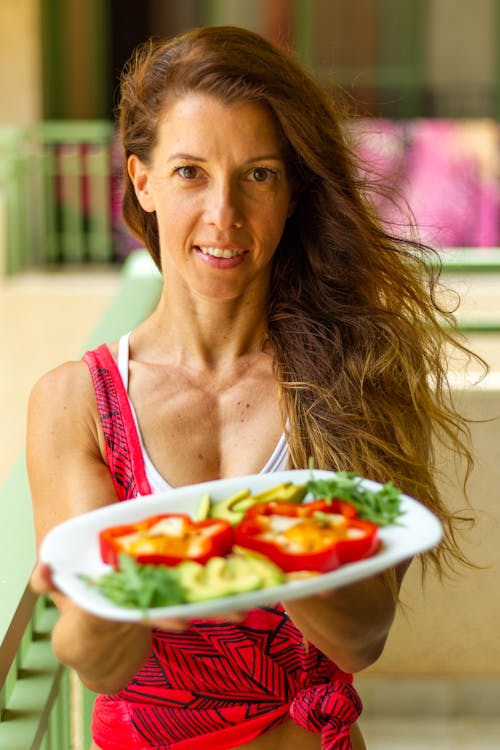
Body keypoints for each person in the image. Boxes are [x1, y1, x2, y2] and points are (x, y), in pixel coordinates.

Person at [28, 25, 481, 750]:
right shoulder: (75, 404)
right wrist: (110, 605)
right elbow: (100, 666)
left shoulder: (349, 374)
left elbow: (363, 638)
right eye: (189, 173)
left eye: (259, 174)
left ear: (295, 191)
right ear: (140, 180)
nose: (224, 215)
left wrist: (261, 550)